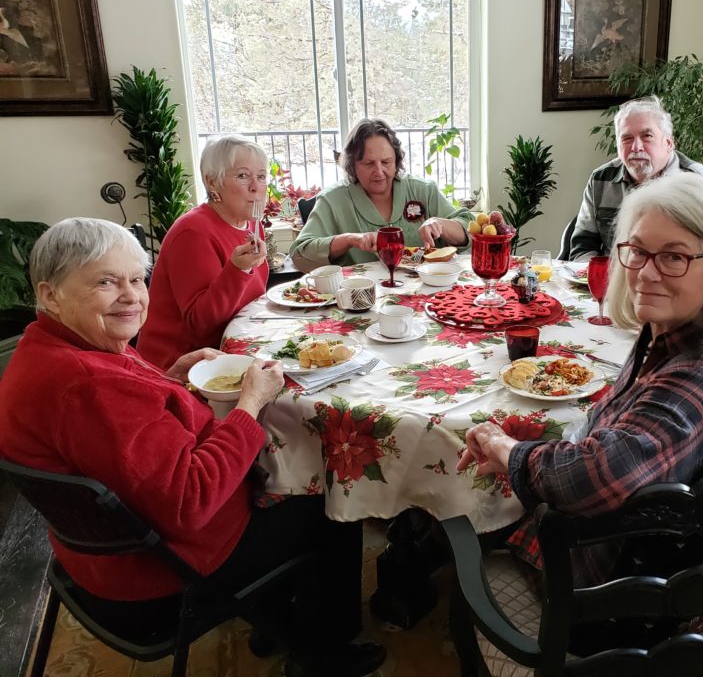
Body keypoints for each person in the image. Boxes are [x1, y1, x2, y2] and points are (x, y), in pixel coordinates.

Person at [0, 218, 385, 677]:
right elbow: (192, 500)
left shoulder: (46, 348)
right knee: (330, 499)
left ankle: (277, 623)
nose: (131, 296)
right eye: (105, 282)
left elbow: (122, 433)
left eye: (136, 279)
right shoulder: (86, 386)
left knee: (288, 477)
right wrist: (250, 403)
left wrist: (170, 380)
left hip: (102, 559)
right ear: (49, 294)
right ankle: (324, 651)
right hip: (159, 575)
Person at [458, 172, 703, 595]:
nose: (646, 273)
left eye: (674, 257)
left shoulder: (698, 378)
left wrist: (505, 448)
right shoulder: (667, 334)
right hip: (645, 550)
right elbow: (622, 436)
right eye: (638, 251)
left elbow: (596, 477)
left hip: (633, 603)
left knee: (458, 535)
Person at [137, 134, 270, 370]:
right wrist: (239, 269)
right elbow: (201, 324)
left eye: (261, 176)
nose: (256, 187)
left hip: (233, 346)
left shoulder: (252, 223)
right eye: (242, 176)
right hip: (182, 366)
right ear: (212, 182)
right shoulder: (193, 232)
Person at [290, 118, 473, 270]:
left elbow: (471, 231)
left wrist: (440, 224)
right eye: (369, 164)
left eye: (386, 162)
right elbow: (300, 255)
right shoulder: (333, 200)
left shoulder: (423, 190)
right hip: (361, 304)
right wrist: (349, 240)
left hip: (429, 297)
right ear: (352, 165)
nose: (379, 171)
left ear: (397, 160)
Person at [569, 95, 703, 260]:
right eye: (627, 138)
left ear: (669, 143)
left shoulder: (697, 181)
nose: (636, 147)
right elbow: (582, 247)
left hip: (674, 279)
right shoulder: (601, 179)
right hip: (610, 280)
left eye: (647, 136)